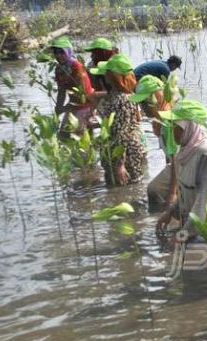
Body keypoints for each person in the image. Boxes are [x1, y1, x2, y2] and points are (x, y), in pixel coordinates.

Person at [154, 99, 207, 243]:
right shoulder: (186, 152)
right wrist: (170, 212)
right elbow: (188, 191)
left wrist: (182, 235)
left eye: (175, 125)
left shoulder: (205, 155)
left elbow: (204, 202)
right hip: (191, 226)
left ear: (189, 126)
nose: (171, 129)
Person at [90, 53, 146, 186]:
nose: (104, 76)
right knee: (116, 188)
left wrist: (120, 164)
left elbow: (122, 132)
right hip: (114, 149)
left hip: (125, 152)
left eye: (107, 73)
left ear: (113, 77)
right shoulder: (116, 95)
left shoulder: (122, 100)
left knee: (128, 188)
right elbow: (113, 125)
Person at [129, 74, 178, 212]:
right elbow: (169, 159)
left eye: (145, 102)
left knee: (153, 190)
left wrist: (172, 194)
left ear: (158, 97)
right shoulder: (160, 121)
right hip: (178, 166)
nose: (142, 108)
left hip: (186, 167)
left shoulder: (170, 123)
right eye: (141, 104)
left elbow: (177, 161)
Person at [48, 36, 94, 135]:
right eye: (56, 52)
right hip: (72, 105)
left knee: (72, 137)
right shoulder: (59, 69)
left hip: (85, 105)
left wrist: (66, 107)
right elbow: (61, 92)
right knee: (63, 136)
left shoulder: (77, 67)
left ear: (68, 52)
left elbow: (83, 94)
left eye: (61, 52)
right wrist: (57, 110)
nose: (58, 56)